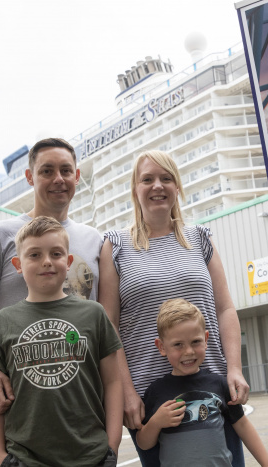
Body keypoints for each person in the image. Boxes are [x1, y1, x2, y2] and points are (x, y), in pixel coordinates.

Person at [98, 150, 250, 467]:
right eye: (148, 179)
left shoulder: (199, 238)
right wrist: (126, 393)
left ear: (177, 187)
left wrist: (234, 368)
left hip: (212, 391)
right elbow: (107, 325)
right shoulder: (115, 245)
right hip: (151, 402)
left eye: (166, 178)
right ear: (135, 189)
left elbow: (225, 309)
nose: (158, 186)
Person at [0, 137, 103, 415]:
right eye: (47, 171)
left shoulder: (94, 239)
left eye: (65, 170)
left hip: (84, 395)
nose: (58, 179)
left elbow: (106, 321)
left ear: (77, 175)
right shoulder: (0, 235)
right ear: (29, 177)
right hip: (23, 395)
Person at [0, 216, 122, 467]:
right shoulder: (4, 322)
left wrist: (111, 447)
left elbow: (113, 382)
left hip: (91, 456)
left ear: (68, 262)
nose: (46, 261)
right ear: (18, 264)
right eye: (34, 255)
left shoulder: (94, 314)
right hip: (25, 459)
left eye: (56, 253)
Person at [137, 299, 268, 467]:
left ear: (206, 339)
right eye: (178, 344)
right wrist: (156, 422)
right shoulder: (156, 391)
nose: (188, 351)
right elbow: (143, 443)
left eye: (195, 341)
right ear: (161, 347)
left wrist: (267, 463)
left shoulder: (219, 384)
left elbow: (242, 425)